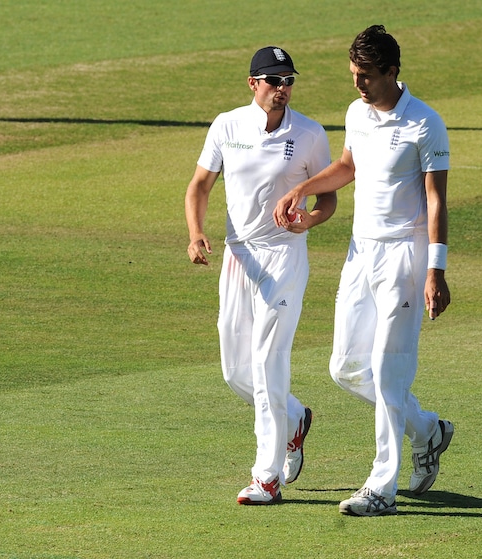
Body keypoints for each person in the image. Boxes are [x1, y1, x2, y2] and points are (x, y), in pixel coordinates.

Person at [274, 25, 453, 516]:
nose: (358, 85)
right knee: (345, 368)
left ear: (393, 72)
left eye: (367, 76)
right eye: (354, 75)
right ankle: (429, 431)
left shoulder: (425, 123)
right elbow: (349, 166)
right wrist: (302, 189)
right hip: (361, 253)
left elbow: (437, 199)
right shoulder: (356, 112)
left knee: (390, 376)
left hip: (405, 257)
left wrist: (436, 270)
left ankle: (381, 488)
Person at [185, 46, 336, 505]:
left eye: (288, 80)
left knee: (269, 365)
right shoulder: (226, 125)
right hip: (237, 257)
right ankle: (294, 419)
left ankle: (266, 478)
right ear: (253, 83)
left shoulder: (309, 133)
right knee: (236, 372)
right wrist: (195, 234)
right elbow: (199, 186)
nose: (282, 89)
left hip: (283, 257)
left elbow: (328, 199)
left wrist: (310, 219)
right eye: (274, 81)